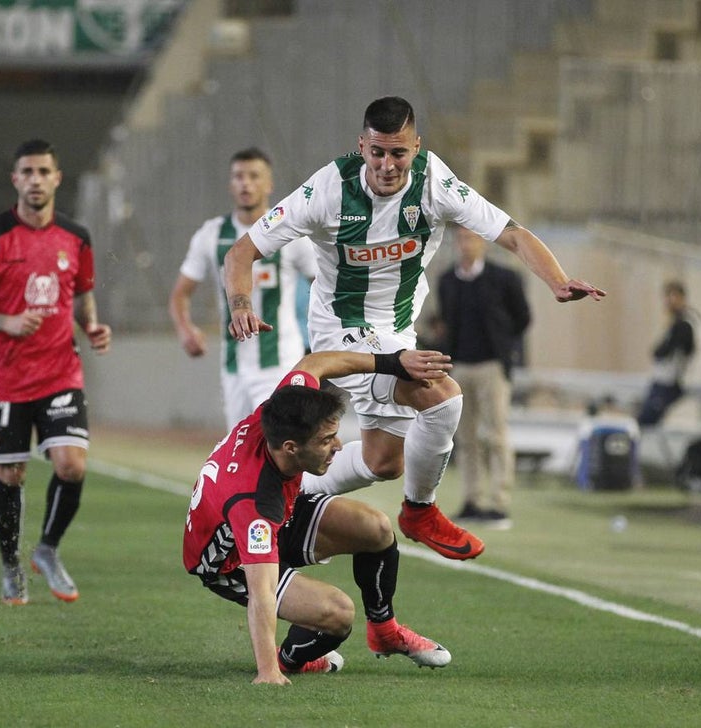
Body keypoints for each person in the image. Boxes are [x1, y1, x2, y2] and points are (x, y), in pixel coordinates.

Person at [223, 96, 605, 561]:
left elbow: (511, 233)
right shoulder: (325, 189)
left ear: (416, 147)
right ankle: (420, 511)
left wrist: (558, 281)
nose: (387, 165)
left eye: (399, 153)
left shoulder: (435, 183)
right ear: (361, 146)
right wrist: (240, 304)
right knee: (444, 396)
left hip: (397, 331)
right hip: (342, 330)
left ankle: (279, 481)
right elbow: (241, 252)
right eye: (377, 152)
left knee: (381, 462)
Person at [183, 347, 454, 684]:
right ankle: (288, 660)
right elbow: (262, 591)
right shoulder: (254, 503)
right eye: (326, 440)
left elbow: (317, 362)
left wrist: (392, 362)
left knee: (375, 528)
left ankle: (385, 631)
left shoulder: (287, 406)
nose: (338, 445)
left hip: (279, 516)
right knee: (338, 614)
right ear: (291, 448)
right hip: (229, 559)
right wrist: (267, 672)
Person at [0, 139, 112, 606]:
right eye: (28, 171)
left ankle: (47, 549)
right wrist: (4, 321)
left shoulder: (76, 237)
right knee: (10, 475)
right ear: (15, 180)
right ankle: (10, 566)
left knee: (72, 464)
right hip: (5, 375)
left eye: (45, 171)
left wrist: (92, 326)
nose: (36, 180)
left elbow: (82, 294)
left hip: (61, 371)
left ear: (57, 178)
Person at [168, 147, 317, 429]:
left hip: (281, 361)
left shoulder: (290, 233)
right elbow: (180, 294)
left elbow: (322, 282)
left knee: (280, 444)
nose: (245, 183)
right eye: (238, 176)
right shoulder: (212, 234)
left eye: (254, 176)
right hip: (234, 366)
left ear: (269, 184)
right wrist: (185, 329)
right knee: (240, 447)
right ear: (230, 184)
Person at [437, 225, 531, 529]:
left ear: (483, 243)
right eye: (462, 238)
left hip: (491, 364)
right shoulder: (448, 281)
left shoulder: (503, 278)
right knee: (465, 438)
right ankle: (472, 499)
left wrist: (504, 346)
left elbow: (522, 318)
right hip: (460, 365)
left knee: (496, 434)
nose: (467, 244)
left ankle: (499, 501)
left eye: (472, 238)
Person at [637, 280, 699, 427]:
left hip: (670, 382)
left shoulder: (685, 324)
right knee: (644, 419)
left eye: (672, 296)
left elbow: (668, 352)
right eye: (666, 297)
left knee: (646, 421)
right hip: (666, 381)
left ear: (681, 297)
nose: (667, 302)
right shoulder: (679, 322)